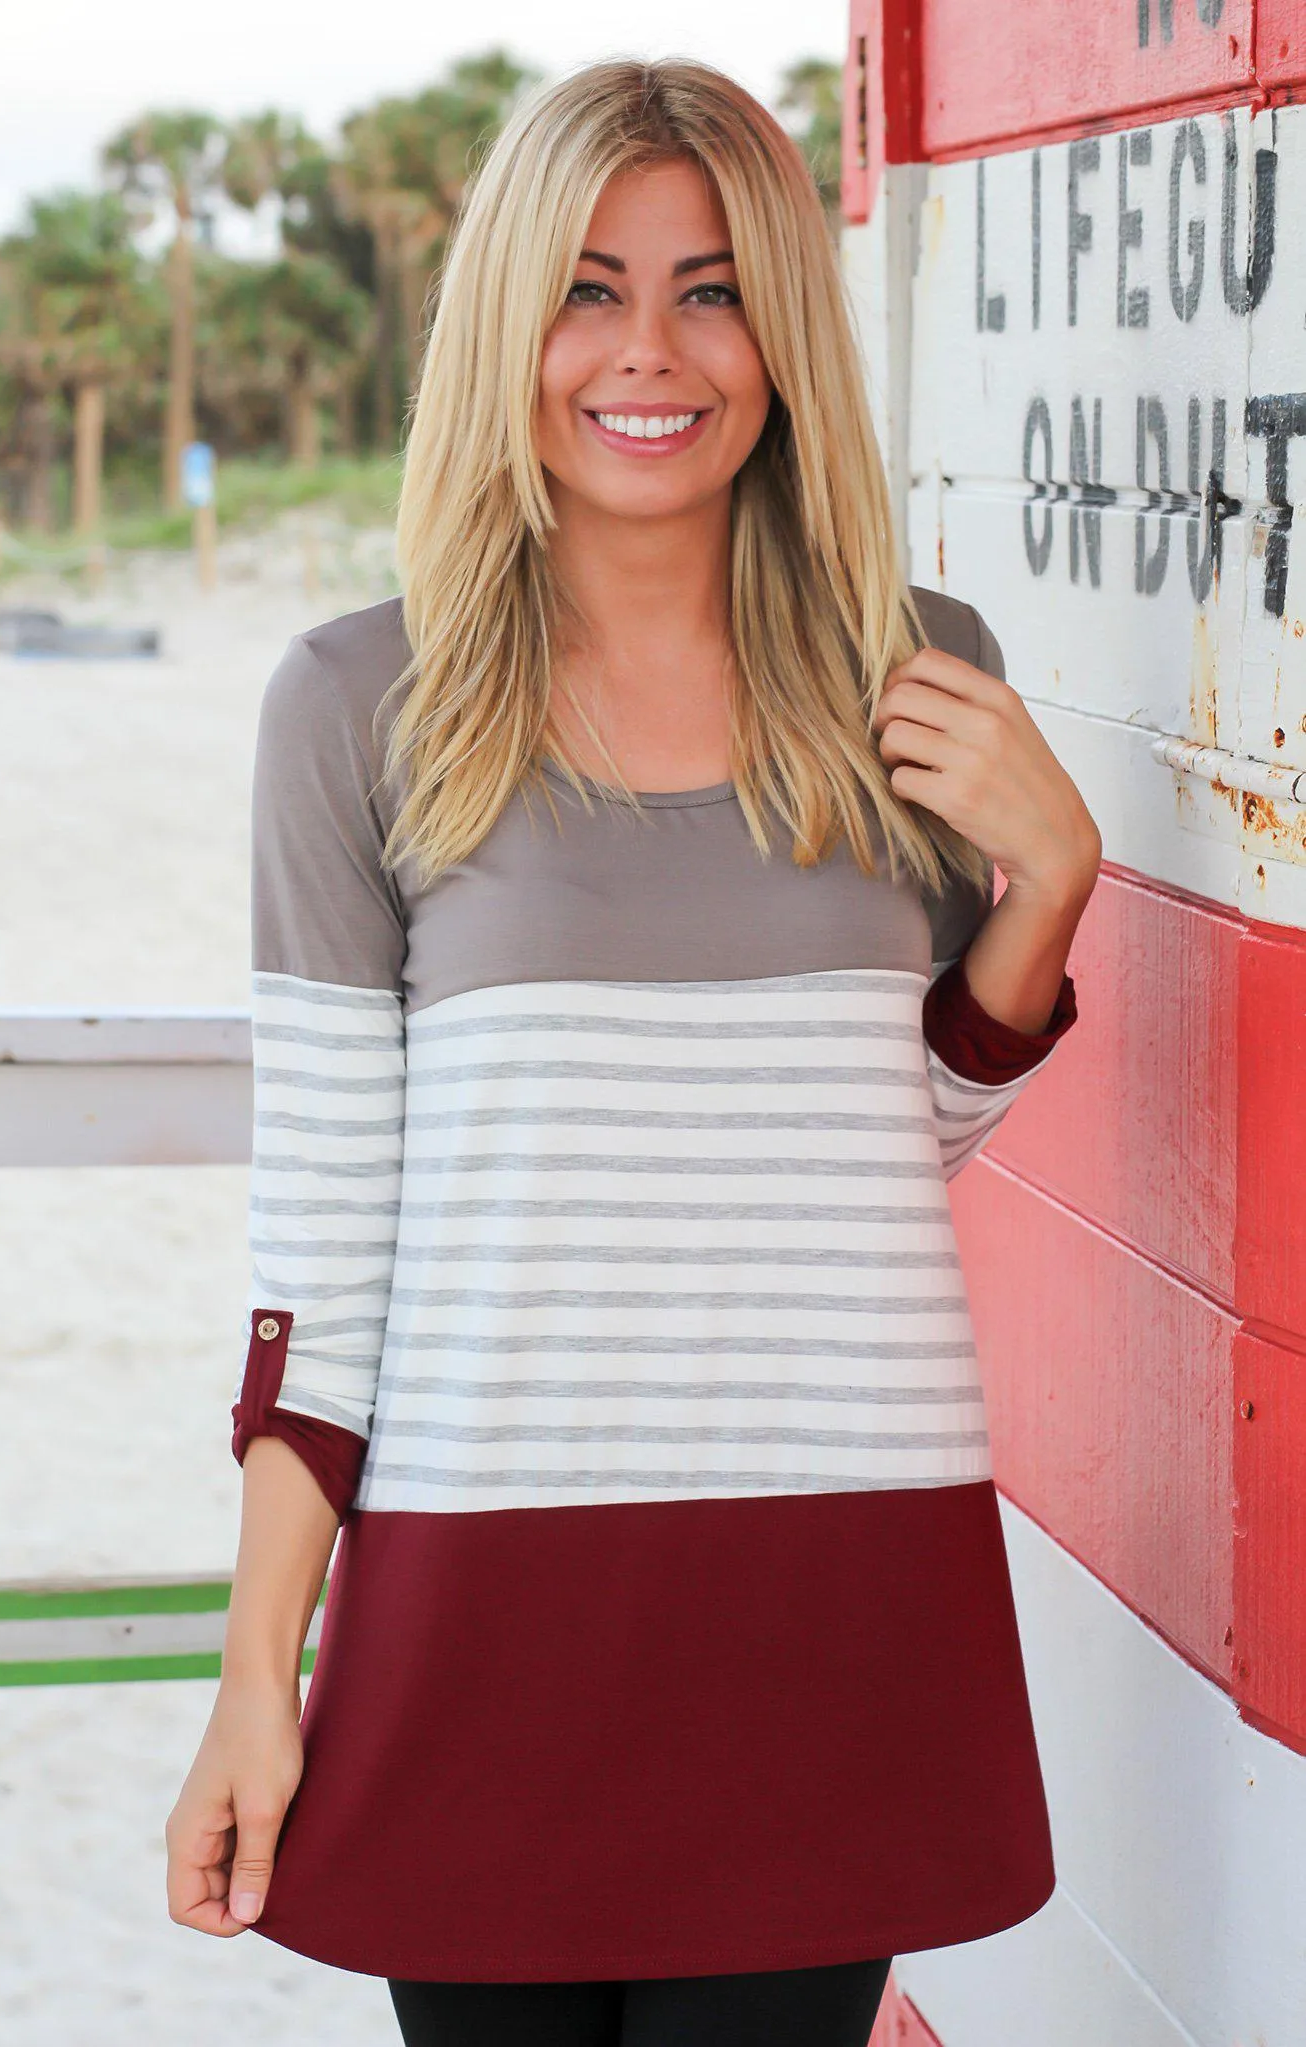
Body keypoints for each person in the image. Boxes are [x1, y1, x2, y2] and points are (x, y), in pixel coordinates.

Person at [165, 56, 1099, 2047]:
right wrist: (258, 1673)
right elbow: (326, 1238)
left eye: (710, 286)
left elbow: (873, 1136)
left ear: (781, 326)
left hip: (830, 1604)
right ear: (509, 318)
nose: (648, 351)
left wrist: (1050, 886)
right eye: (588, 288)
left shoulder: (923, 679)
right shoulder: (356, 704)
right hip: (480, 1620)